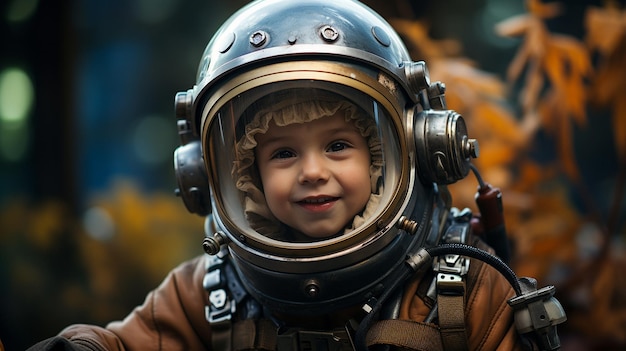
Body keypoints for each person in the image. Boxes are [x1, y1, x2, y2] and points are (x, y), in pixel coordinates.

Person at [28, 0, 566, 350]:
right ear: (227, 175)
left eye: (338, 146)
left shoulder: (461, 288)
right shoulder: (210, 291)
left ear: (416, 148)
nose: (312, 172)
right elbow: (125, 344)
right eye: (282, 154)